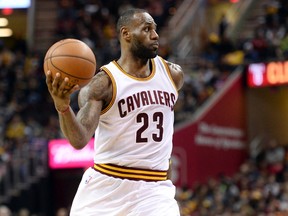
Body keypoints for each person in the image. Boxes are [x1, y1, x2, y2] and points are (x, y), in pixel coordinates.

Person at [45, 8, 184, 216]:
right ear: (126, 34)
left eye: (154, 29)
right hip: (106, 188)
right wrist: (63, 107)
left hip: (154, 191)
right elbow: (79, 140)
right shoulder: (103, 84)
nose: (155, 35)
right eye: (147, 29)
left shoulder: (173, 74)